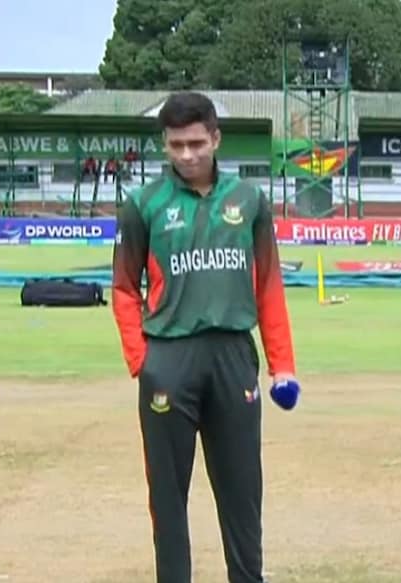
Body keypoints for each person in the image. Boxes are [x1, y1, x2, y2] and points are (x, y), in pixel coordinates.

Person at [111, 91, 297, 583]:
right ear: (164, 144)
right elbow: (124, 288)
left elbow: (269, 286)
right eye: (176, 145)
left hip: (233, 355)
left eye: (196, 143)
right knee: (167, 496)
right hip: (169, 357)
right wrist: (142, 361)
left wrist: (282, 366)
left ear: (216, 138)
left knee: (242, 490)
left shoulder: (248, 200)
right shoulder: (143, 204)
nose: (187, 155)